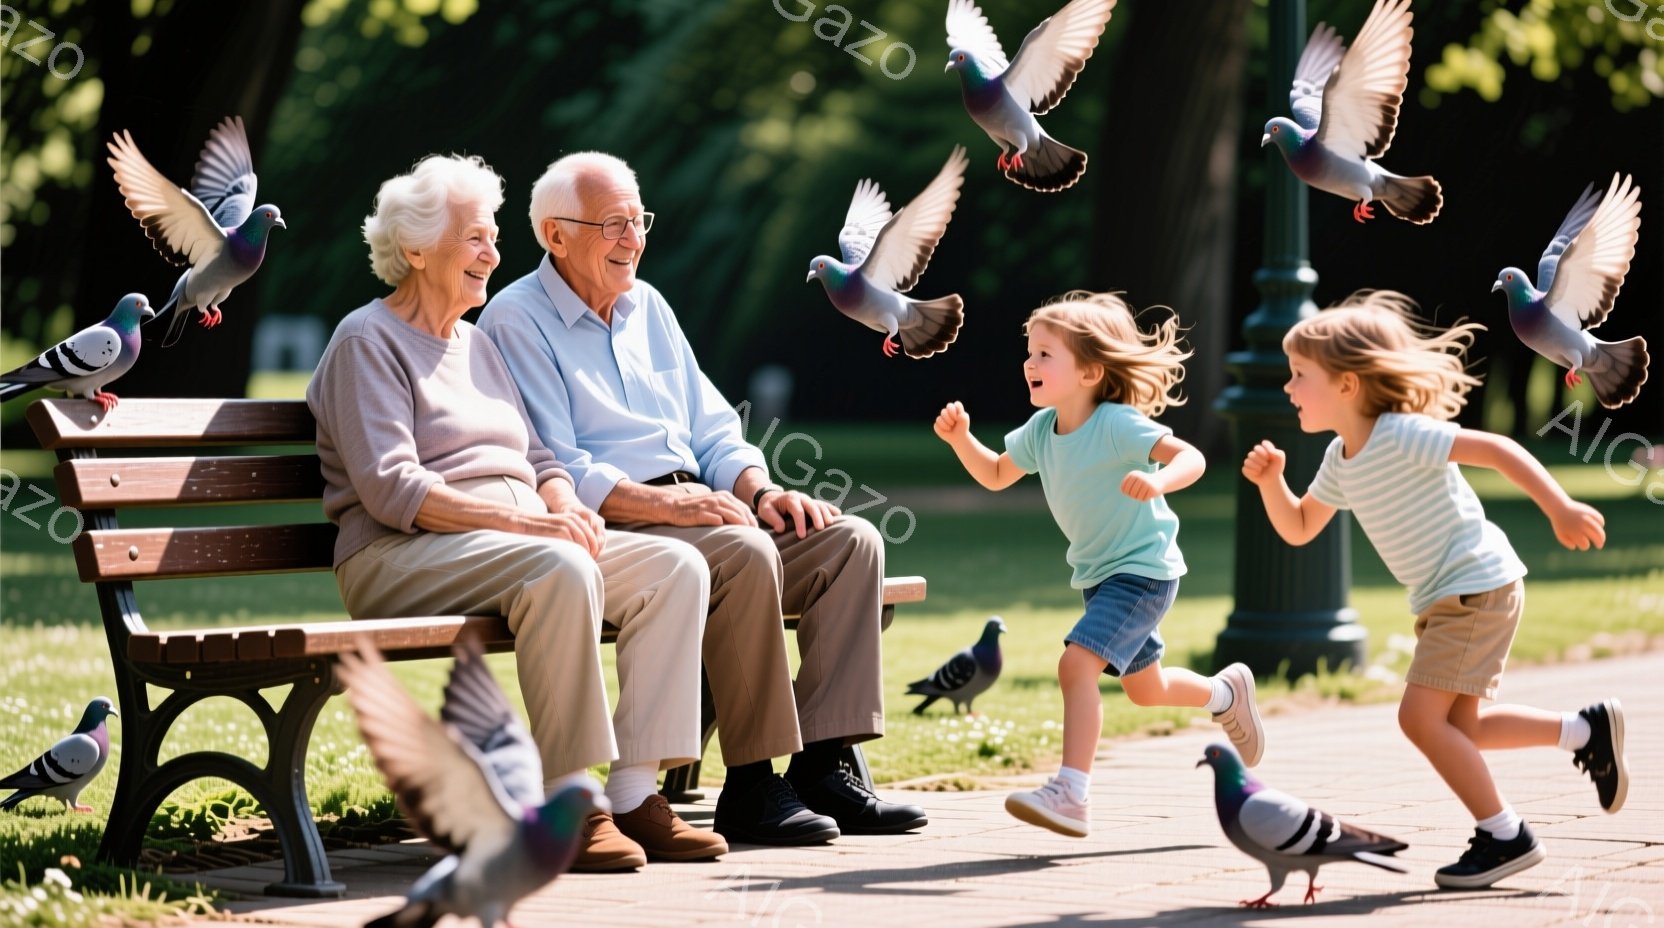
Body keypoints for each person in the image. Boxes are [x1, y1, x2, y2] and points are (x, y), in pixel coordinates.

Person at [478, 151, 926, 845]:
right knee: (744, 551)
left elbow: (714, 425)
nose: (633, 239)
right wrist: (672, 508)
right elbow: (556, 463)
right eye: (613, 225)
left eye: (638, 221)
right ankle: (751, 783)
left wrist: (761, 488)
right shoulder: (514, 320)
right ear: (554, 235)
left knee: (848, 543)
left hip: (706, 510)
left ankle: (822, 765)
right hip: (620, 525)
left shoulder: (647, 305)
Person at [307, 154, 726, 871]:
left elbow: (540, 460)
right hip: (397, 557)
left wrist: (562, 503)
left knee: (676, 566)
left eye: (494, 236)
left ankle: (633, 794)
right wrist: (533, 524)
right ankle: (571, 800)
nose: (494, 254)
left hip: (512, 547)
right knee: (557, 565)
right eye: (475, 237)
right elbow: (394, 492)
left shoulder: (475, 343)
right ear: (414, 249)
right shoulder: (365, 341)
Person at [1241, 290, 1629, 890]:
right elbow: (1297, 527)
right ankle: (1584, 731)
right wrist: (1272, 483)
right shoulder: (1341, 458)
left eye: (1299, 375)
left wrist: (1560, 506)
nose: (1288, 387)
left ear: (1347, 385)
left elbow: (1497, 449)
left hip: (1474, 586)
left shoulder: (1401, 434)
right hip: (1451, 597)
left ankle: (1505, 836)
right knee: (1461, 729)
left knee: (1420, 720)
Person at [932, 291, 1264, 838]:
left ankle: (1071, 794)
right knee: (1145, 688)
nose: (1029, 363)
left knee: (1075, 665)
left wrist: (1157, 479)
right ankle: (1225, 694)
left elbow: (1192, 457)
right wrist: (961, 439)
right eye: (1030, 352)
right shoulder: (1041, 431)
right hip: (1101, 577)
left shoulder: (1116, 424)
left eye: (1045, 354)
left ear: (1089, 371)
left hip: (1143, 572)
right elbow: (994, 474)